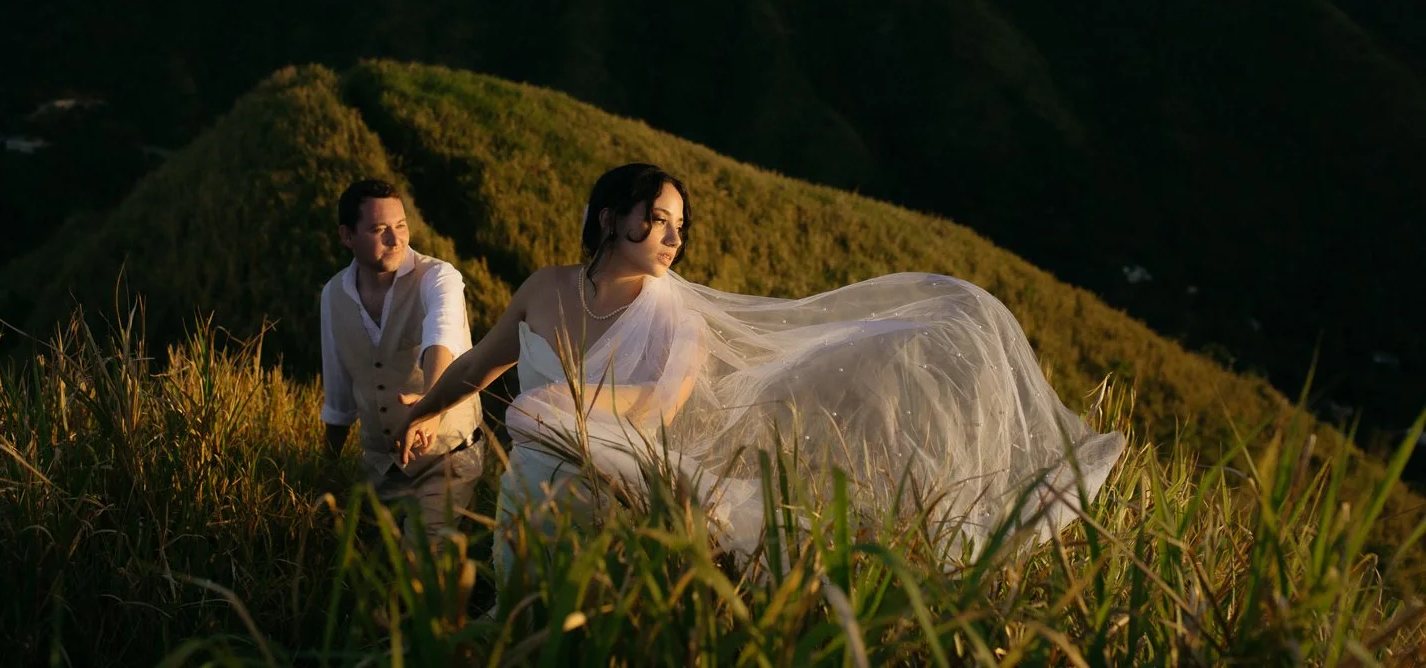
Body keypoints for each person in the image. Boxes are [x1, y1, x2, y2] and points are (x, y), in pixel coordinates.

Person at [396, 163, 1125, 579]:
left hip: (605, 498)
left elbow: (657, 406)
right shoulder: (544, 288)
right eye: (659, 217)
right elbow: (482, 367)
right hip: (527, 492)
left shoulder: (679, 318)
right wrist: (426, 410)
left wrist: (565, 397)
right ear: (614, 216)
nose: (674, 235)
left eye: (681, 223)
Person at [320, 179, 485, 530]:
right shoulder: (333, 295)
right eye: (380, 230)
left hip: (447, 462)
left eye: (401, 226)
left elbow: (442, 336)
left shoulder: (438, 277)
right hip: (379, 469)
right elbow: (338, 396)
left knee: (420, 568)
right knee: (364, 570)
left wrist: (431, 405)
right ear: (347, 236)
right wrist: (327, 469)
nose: (396, 239)